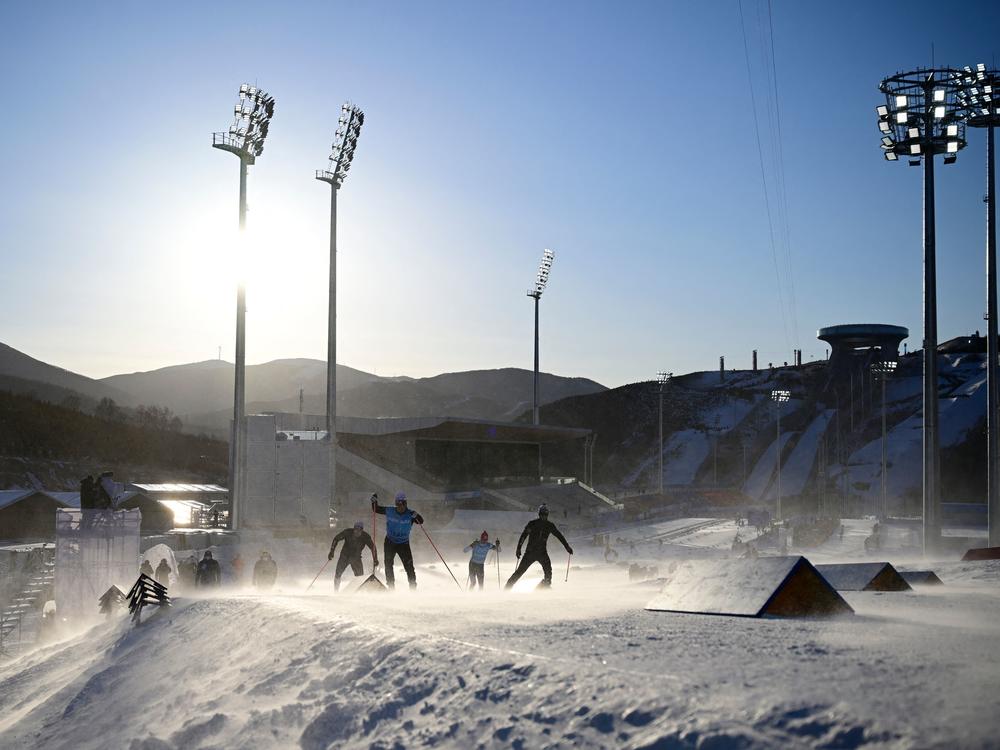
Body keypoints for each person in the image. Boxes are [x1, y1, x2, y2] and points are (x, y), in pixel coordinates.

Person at [505, 504, 573, 590]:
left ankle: (543, 588)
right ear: (539, 514)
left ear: (547, 515)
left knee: (548, 571)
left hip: (541, 553)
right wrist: (518, 548)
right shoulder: (533, 524)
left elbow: (559, 536)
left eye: (545, 515)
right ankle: (507, 589)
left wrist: (567, 547)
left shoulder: (549, 525)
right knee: (520, 572)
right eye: (542, 514)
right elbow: (524, 536)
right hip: (531, 553)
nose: (543, 516)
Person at [372, 492, 424, 590]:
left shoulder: (410, 514)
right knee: (388, 564)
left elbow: (421, 521)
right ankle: (391, 587)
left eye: (402, 504)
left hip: (403, 544)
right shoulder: (390, 510)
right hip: (390, 542)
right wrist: (373, 501)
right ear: (395, 504)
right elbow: (376, 509)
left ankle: (413, 587)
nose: (400, 506)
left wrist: (416, 515)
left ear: (406, 504)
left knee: (409, 566)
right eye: (398, 504)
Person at [328, 521, 378, 591]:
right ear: (353, 529)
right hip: (344, 556)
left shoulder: (365, 536)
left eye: (359, 530)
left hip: (356, 558)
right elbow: (336, 539)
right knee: (338, 573)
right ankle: (336, 591)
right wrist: (331, 551)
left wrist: (375, 559)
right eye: (355, 529)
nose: (357, 532)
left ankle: (359, 591)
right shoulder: (347, 532)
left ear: (362, 530)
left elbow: (373, 548)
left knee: (360, 577)